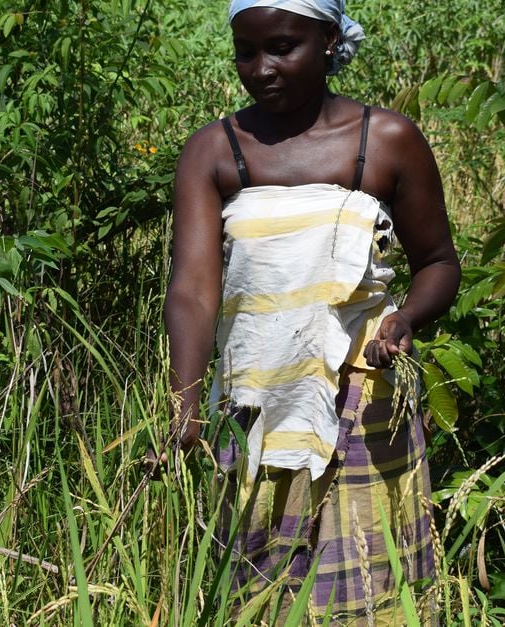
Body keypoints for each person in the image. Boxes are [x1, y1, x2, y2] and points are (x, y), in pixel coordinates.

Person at [161, 0, 460, 621]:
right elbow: (193, 289)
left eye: (282, 47)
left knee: (370, 591)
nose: (261, 68)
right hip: (254, 408)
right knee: (257, 592)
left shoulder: (386, 141)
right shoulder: (215, 152)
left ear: (328, 40)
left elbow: (438, 262)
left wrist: (402, 320)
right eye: (247, 51)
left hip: (361, 399)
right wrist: (185, 404)